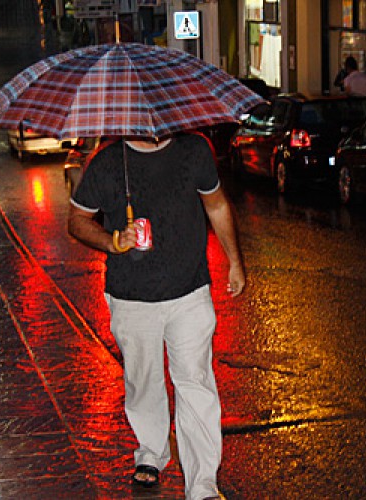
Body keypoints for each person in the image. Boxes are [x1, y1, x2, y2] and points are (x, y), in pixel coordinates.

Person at [68, 132, 245, 500]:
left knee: (195, 383)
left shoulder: (194, 149)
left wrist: (235, 262)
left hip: (190, 291)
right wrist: (113, 241)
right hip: (132, 296)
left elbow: (217, 206)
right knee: (143, 381)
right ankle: (151, 450)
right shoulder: (108, 161)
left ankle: (202, 485)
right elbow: (78, 220)